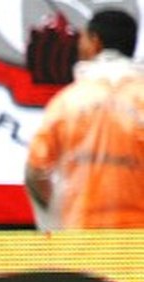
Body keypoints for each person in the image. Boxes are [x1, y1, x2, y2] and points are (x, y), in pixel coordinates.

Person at [25, 9, 144, 229]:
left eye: (83, 38)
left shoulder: (68, 102)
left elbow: (36, 170)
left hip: (83, 236)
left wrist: (54, 221)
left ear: (95, 42)